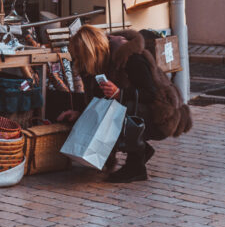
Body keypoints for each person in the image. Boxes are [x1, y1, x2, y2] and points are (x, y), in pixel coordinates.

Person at [58, 25, 192, 183]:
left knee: (118, 111)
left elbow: (152, 95)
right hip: (143, 110)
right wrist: (80, 113)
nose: (81, 62)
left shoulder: (130, 57)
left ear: (93, 52)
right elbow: (97, 101)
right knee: (112, 110)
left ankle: (136, 166)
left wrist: (120, 93)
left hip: (163, 115)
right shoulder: (101, 63)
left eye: (82, 57)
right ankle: (140, 150)